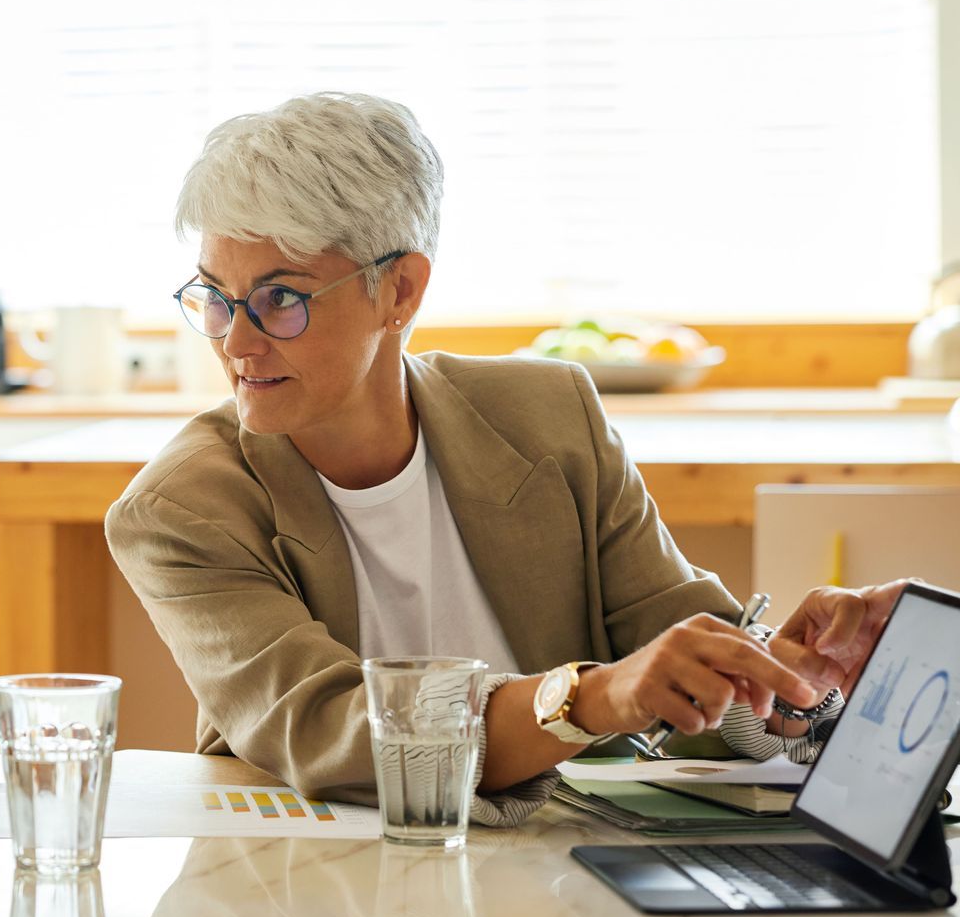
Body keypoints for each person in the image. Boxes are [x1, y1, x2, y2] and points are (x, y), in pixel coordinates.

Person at [106, 90, 905, 824]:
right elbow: (329, 729)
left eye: (281, 297)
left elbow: (672, 669)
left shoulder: (552, 418)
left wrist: (790, 685)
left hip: (563, 901)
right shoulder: (179, 512)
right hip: (321, 899)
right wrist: (584, 700)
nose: (236, 341)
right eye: (214, 296)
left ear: (401, 292)